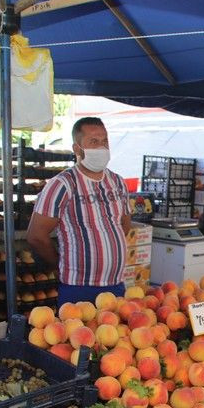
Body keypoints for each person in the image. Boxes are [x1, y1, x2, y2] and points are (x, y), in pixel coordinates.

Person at [27, 117, 131, 304]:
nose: (101, 147)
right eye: (94, 142)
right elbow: (36, 235)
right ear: (77, 149)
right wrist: (58, 263)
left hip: (115, 284)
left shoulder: (117, 182)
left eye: (104, 141)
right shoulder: (62, 184)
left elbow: (124, 224)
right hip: (78, 287)